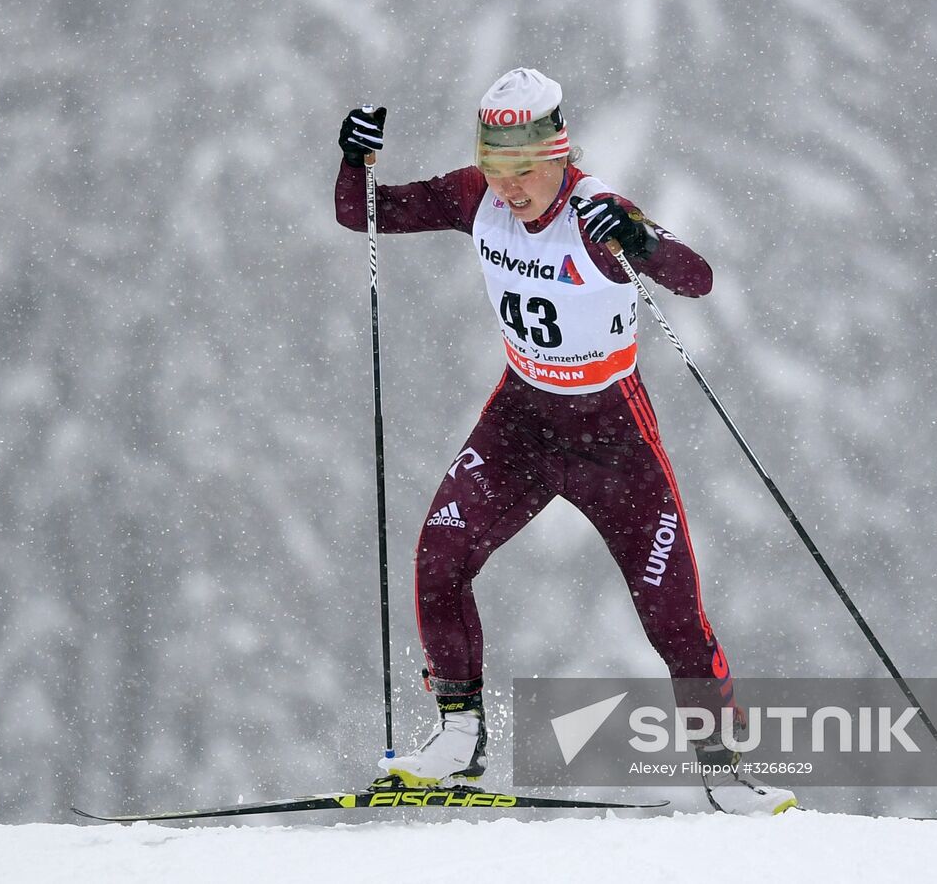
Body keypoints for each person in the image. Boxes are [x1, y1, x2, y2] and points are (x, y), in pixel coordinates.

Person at [334, 68, 795, 815]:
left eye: (524, 171)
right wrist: (355, 160)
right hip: (521, 421)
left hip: (613, 434)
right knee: (440, 555)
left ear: (559, 154)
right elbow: (365, 216)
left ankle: (723, 768)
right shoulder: (473, 197)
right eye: (495, 169)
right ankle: (459, 735)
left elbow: (698, 278)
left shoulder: (595, 212)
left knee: (670, 610)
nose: (509, 189)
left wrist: (642, 242)